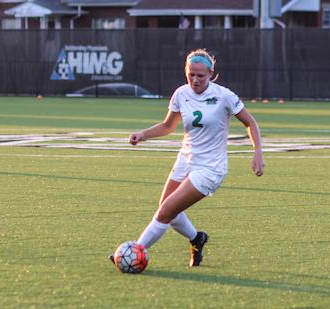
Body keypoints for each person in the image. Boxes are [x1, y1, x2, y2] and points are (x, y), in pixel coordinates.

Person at [111, 48, 264, 267]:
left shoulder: (224, 96)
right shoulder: (181, 93)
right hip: (186, 159)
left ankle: (135, 251)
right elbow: (167, 126)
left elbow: (251, 123)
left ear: (211, 74)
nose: (195, 79)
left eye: (200, 75)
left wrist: (257, 151)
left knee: (165, 211)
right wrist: (142, 135)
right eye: (191, 74)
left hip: (210, 168)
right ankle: (197, 238)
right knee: (169, 211)